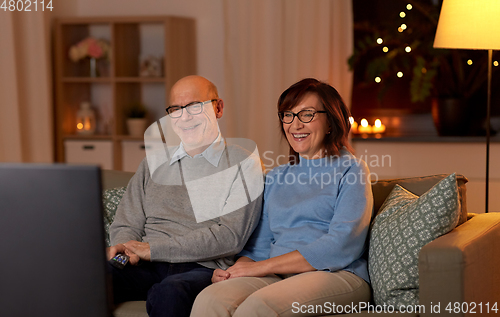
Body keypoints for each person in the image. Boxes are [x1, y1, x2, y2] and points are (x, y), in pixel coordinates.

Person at [191, 78, 373, 317]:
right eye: (288, 115)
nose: (295, 125)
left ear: (330, 121)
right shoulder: (275, 178)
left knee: (258, 308)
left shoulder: (352, 170)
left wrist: (263, 267)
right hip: (277, 275)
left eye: (307, 114)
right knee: (211, 299)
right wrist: (237, 269)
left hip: (336, 274)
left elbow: (341, 245)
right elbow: (260, 246)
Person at [107, 75, 263, 317]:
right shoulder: (152, 164)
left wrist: (153, 248)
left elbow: (230, 236)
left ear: (218, 108)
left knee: (170, 292)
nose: (184, 117)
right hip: (145, 264)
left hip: (201, 266)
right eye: (176, 109)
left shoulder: (243, 162)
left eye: (194, 107)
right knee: (85, 278)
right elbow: (127, 222)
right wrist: (127, 249)